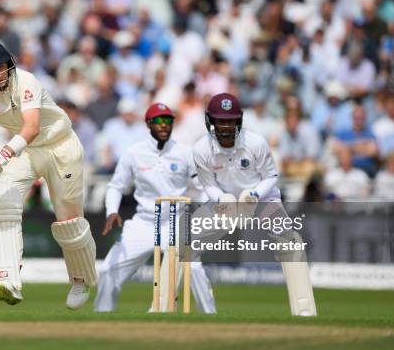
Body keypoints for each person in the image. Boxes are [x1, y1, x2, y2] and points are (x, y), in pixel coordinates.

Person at [0, 40, 97, 309]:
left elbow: (30, 127)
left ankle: (80, 279)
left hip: (60, 147)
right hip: (27, 152)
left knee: (69, 223)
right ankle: (7, 278)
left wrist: (3, 152)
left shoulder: (27, 81)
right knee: (0, 195)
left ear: (9, 63)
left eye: (1, 66)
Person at [192, 93, 317, 316]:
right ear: (210, 120)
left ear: (238, 120)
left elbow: (272, 176)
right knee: (184, 246)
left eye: (230, 120)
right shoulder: (201, 149)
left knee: (293, 246)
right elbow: (208, 184)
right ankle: (190, 311)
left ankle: (305, 313)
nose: (226, 126)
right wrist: (221, 198)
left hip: (262, 200)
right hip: (225, 202)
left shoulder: (256, 142)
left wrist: (254, 194)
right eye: (221, 120)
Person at [95, 103, 216, 313]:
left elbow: (204, 187)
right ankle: (102, 317)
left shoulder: (185, 152)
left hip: (176, 223)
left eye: (168, 121)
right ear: (148, 123)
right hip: (144, 223)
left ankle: (211, 316)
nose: (164, 125)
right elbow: (116, 186)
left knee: (193, 268)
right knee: (107, 271)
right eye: (159, 121)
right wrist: (112, 211)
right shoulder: (134, 153)